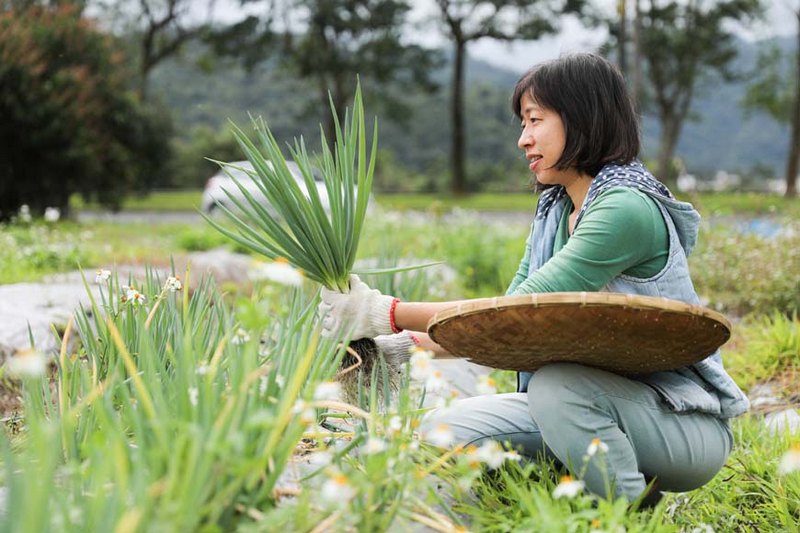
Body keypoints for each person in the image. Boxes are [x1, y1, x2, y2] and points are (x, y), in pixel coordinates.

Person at [317, 53, 748, 505]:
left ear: (582, 117)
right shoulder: (555, 208)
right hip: (583, 405)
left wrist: (382, 312)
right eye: (523, 124)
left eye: (534, 120)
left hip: (677, 422)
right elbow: (504, 329)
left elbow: (514, 315)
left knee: (559, 385)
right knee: (439, 435)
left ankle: (627, 514)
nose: (523, 140)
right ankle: (581, 486)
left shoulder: (625, 209)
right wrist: (402, 346)